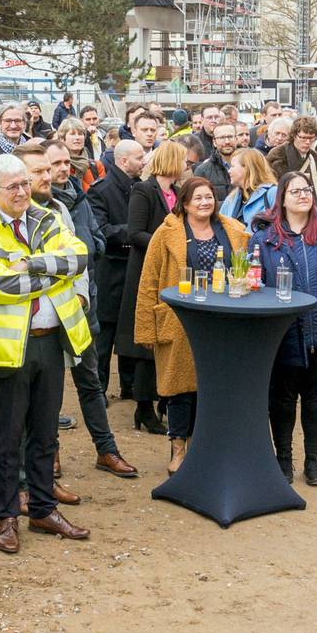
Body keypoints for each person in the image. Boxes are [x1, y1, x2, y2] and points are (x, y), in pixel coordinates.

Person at [0, 153, 93, 554]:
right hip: (8, 348)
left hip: (51, 340)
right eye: (13, 186)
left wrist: (30, 264)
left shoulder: (46, 216)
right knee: (8, 437)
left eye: (24, 183)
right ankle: (6, 516)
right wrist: (52, 274)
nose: (23, 192)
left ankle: (42, 507)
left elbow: (79, 256)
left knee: (45, 431)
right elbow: (0, 286)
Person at [134, 176, 249, 471]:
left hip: (222, 321)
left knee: (213, 386)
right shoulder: (166, 233)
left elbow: (246, 270)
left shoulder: (233, 230)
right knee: (179, 388)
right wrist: (146, 326)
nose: (204, 202)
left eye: (208, 197)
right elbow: (148, 281)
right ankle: (178, 450)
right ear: (184, 202)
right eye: (197, 198)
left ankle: (207, 448)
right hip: (180, 320)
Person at [250, 172, 317, 486]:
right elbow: (253, 284)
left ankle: (314, 460)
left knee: (315, 398)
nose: (303, 195)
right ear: (281, 198)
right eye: (295, 191)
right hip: (283, 333)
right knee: (281, 400)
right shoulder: (264, 238)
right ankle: (283, 459)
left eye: (307, 189)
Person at [41, 140, 137, 482]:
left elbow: (93, 235)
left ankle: (106, 449)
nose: (63, 168)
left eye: (66, 162)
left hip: (84, 301)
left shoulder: (77, 198)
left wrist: (91, 247)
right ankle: (50, 453)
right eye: (54, 164)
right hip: (50, 310)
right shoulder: (35, 207)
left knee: (91, 382)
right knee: (49, 389)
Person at [120, 140, 188, 435]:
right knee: (146, 344)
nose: (187, 166)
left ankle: (161, 401)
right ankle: (143, 407)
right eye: (183, 160)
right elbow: (134, 233)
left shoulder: (176, 193)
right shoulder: (144, 190)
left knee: (166, 339)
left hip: (170, 275)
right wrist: (167, 246)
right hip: (147, 273)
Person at [89, 140, 142, 399]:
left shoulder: (140, 187)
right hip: (110, 270)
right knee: (105, 334)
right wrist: (133, 234)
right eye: (139, 157)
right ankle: (98, 388)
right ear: (123, 161)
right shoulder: (101, 190)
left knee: (130, 330)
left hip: (133, 268)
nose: (143, 161)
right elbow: (99, 230)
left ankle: (129, 386)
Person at [266, 117, 317, 211]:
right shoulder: (278, 155)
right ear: (294, 135)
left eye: (311, 138)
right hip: (283, 211)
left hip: (312, 212)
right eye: (303, 137)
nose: (307, 142)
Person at [221, 146, 278, 228]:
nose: (229, 171)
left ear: (248, 168)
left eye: (233, 166)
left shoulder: (272, 193)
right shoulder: (230, 199)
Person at [193, 121, 239, 204]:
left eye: (230, 136)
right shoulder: (203, 171)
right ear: (214, 142)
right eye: (221, 138)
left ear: (236, 139)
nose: (227, 141)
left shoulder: (249, 165)